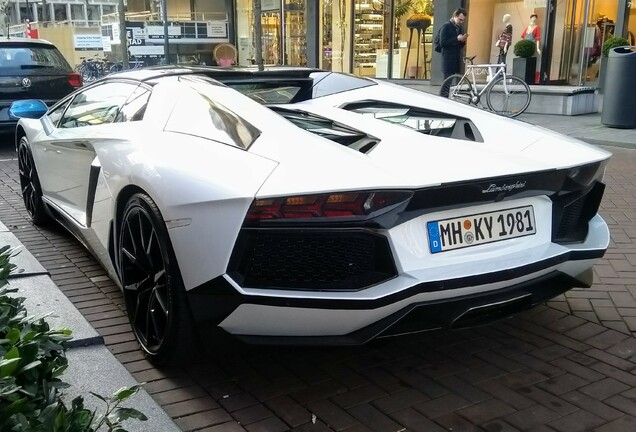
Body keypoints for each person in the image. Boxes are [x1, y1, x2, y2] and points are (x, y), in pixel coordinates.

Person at [440, 8, 468, 80]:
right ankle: (444, 92)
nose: (461, 22)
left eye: (463, 20)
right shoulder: (446, 26)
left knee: (451, 82)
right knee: (446, 82)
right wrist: (457, 39)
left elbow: (459, 46)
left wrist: (462, 41)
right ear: (455, 16)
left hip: (455, 59)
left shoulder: (459, 28)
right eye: (460, 19)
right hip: (447, 59)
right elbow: (442, 43)